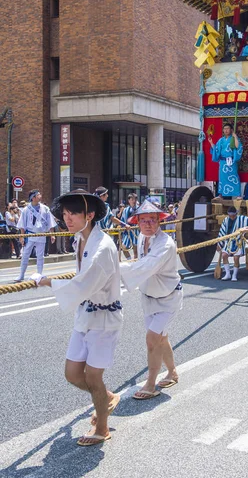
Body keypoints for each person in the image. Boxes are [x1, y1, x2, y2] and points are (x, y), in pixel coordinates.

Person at [36, 189, 122, 446]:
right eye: (65, 213)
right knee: (73, 374)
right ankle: (105, 398)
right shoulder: (79, 239)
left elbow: (84, 283)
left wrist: (48, 281)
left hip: (104, 319)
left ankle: (102, 428)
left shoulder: (103, 246)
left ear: (90, 215)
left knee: (93, 375)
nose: (68, 218)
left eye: (73, 213)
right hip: (85, 314)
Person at [120, 199, 182, 400]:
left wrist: (115, 269)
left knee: (152, 340)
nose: (148, 224)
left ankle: (150, 384)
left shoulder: (165, 244)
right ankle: (172, 372)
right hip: (148, 297)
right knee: (161, 338)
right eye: (143, 220)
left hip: (167, 298)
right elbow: (141, 264)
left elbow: (147, 266)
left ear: (159, 221)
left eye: (152, 220)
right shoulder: (141, 237)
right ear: (137, 222)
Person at [15, 190, 57, 283]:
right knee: (25, 255)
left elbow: (50, 222)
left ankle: (39, 274)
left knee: (40, 256)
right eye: (38, 195)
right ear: (33, 198)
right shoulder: (26, 209)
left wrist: (52, 234)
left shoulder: (45, 208)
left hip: (41, 234)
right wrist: (21, 236)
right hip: (29, 234)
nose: (40, 196)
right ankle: (21, 274)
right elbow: (22, 224)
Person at [218, 206, 248, 281]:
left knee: (236, 258)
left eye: (233, 215)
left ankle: (234, 275)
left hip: (238, 242)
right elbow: (222, 232)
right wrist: (219, 244)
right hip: (228, 242)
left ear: (236, 214)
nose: (231, 217)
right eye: (230, 216)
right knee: (224, 255)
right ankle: (228, 274)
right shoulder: (225, 220)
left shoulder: (241, 219)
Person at [208, 122, 243, 199]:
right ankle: (220, 194)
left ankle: (238, 194)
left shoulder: (233, 138)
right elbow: (216, 150)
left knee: (234, 177)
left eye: (228, 129)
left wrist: (235, 137)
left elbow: (238, 147)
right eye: (225, 129)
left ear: (231, 130)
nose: (226, 130)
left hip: (231, 161)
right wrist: (211, 143)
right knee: (222, 178)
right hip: (223, 162)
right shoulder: (221, 140)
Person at [121, 193, 139, 258]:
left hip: (136, 231)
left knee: (136, 251)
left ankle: (135, 264)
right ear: (129, 200)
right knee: (123, 248)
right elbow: (122, 221)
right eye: (132, 199)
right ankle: (129, 260)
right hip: (127, 231)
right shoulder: (125, 210)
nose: (134, 201)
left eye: (135, 199)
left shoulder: (139, 209)